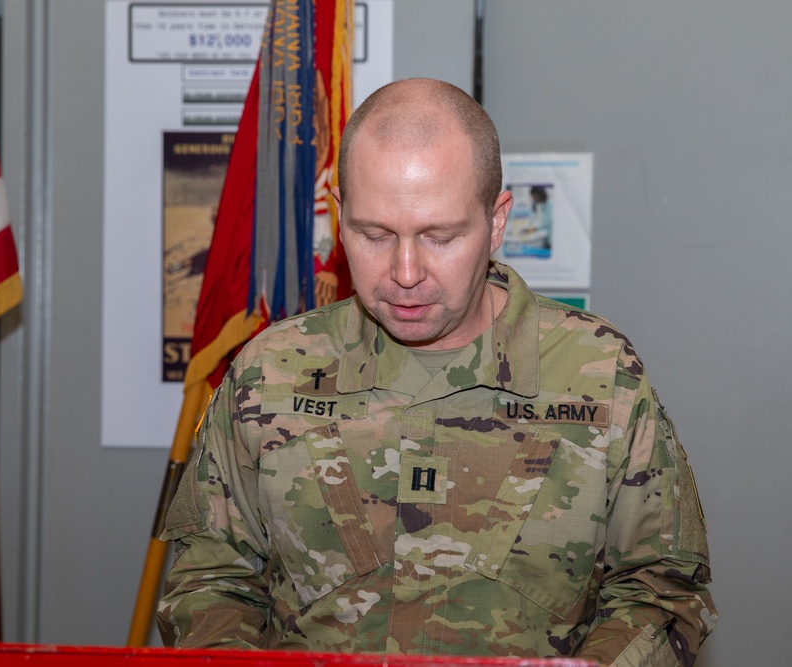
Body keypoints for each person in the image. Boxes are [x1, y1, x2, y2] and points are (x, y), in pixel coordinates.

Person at [157, 78, 717, 666]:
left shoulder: (599, 374)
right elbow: (213, 581)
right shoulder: (267, 376)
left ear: (497, 222)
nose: (404, 272)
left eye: (440, 236)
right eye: (374, 234)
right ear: (339, 216)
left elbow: (661, 588)